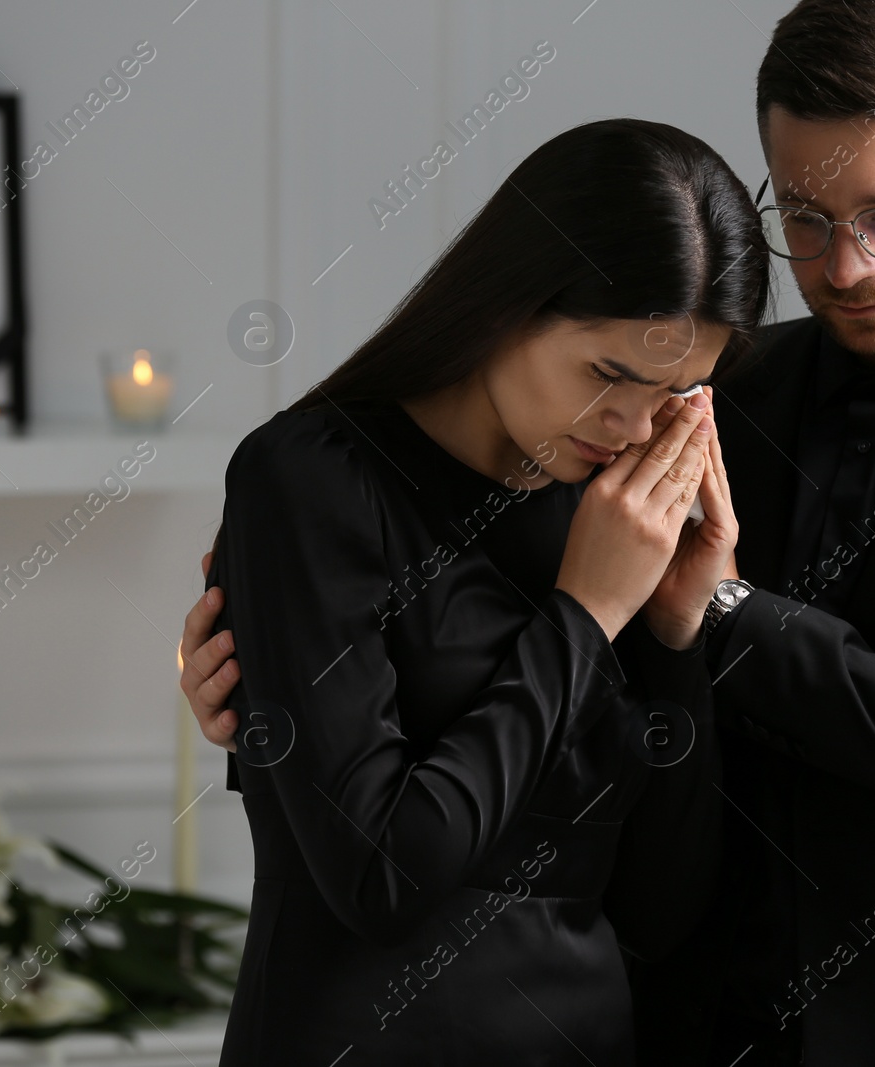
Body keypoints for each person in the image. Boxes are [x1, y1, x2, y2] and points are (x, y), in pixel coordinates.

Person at [185, 2, 875, 1064]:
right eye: (806, 218)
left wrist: (718, 612)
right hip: (702, 1022)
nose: (842, 269)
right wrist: (285, 702)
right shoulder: (691, 400)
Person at [183, 117, 769, 1065]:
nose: (628, 426)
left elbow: (665, 907)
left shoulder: (623, 514)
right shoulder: (311, 478)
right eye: (606, 374)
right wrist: (583, 617)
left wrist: (672, 635)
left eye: (673, 394)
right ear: (509, 302)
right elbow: (383, 877)